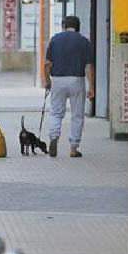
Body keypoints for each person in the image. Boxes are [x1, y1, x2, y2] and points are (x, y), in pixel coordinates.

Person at [44, 15, 94, 158]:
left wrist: (48, 81)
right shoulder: (84, 41)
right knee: (77, 115)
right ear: (78, 27)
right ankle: (73, 148)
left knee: (55, 112)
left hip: (58, 80)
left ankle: (54, 137)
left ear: (64, 25)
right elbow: (89, 66)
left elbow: (47, 65)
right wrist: (91, 87)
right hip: (77, 80)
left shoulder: (54, 39)